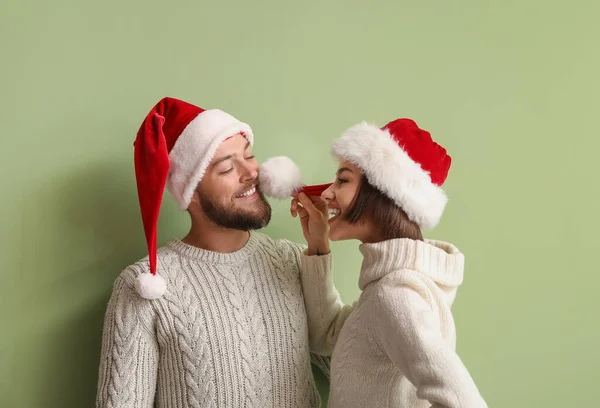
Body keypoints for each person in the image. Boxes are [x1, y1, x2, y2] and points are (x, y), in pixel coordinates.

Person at [95, 96, 331, 408]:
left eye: (250, 156)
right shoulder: (144, 286)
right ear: (190, 192)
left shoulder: (294, 261)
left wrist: (329, 248)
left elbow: (356, 362)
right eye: (227, 168)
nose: (251, 173)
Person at [290, 118, 488, 407]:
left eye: (342, 180)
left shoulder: (395, 294)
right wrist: (318, 246)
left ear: (381, 194)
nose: (327, 193)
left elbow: (462, 400)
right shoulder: (390, 287)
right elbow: (328, 334)